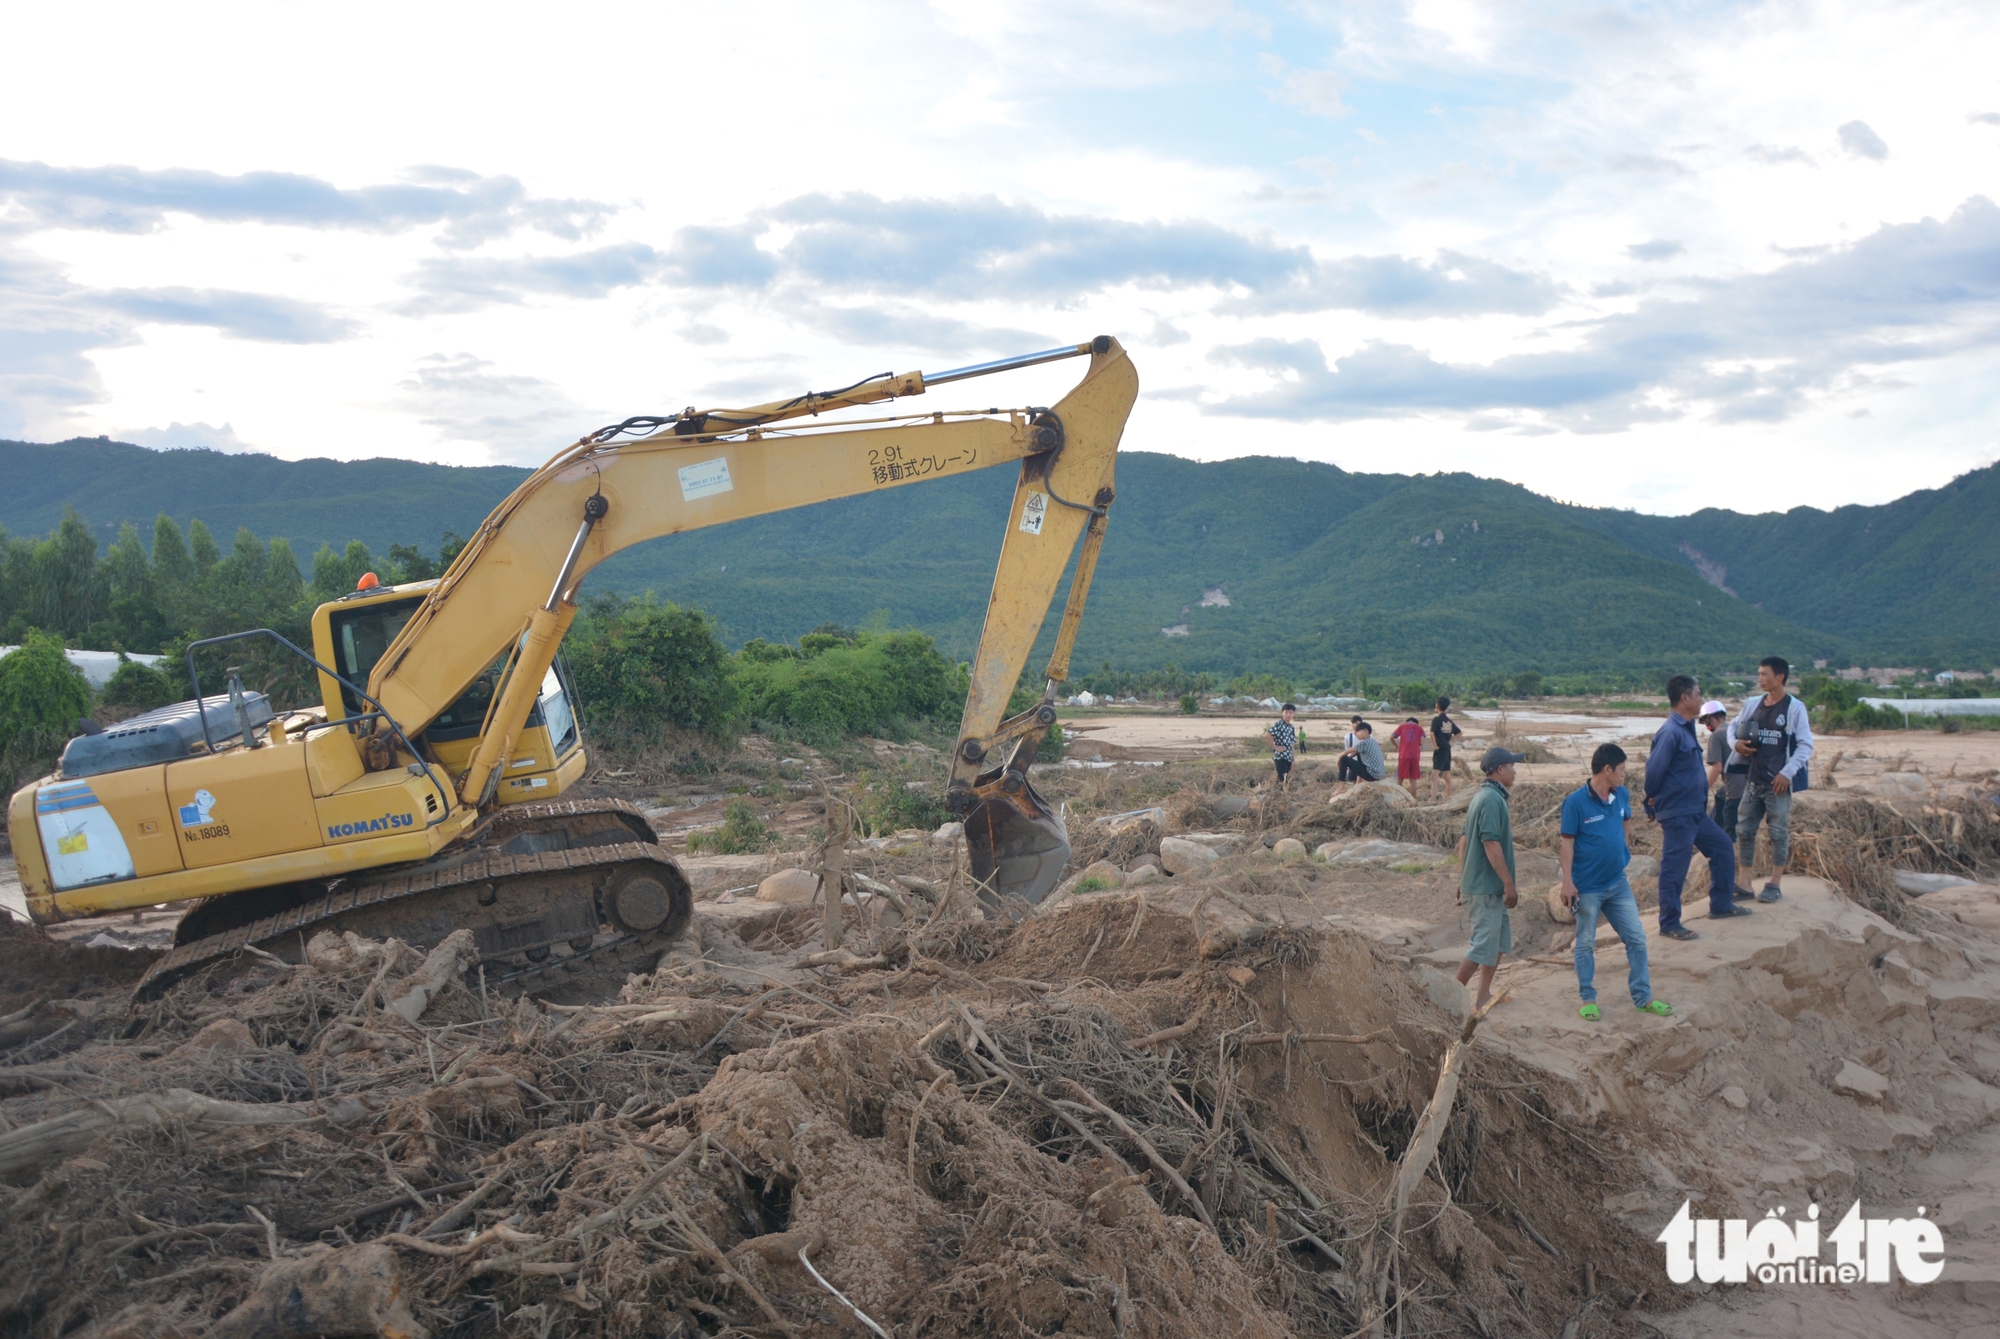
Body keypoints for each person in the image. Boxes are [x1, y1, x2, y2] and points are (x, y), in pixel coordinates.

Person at [1560, 743, 1674, 1019]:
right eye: (1621, 769)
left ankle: (1643, 998)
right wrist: (1567, 882)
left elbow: (1626, 819)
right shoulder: (1576, 802)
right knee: (1585, 943)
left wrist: (1622, 846)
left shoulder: (1621, 794)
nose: (1625, 774)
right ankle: (1588, 998)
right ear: (1607, 769)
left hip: (1618, 883)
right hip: (1588, 887)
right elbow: (1567, 844)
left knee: (1636, 938)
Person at [1645, 675, 1749, 940]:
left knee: (1723, 847)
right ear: (1685, 698)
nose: (1701, 698)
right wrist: (1651, 801)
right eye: (1698, 694)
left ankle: (1721, 904)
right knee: (1675, 867)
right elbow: (1654, 772)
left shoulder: (1687, 728)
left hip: (1695, 812)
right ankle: (1669, 923)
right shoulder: (1670, 733)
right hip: (1679, 813)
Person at [1731, 656, 1814, 902]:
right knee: (1744, 830)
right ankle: (1744, 882)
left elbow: (1805, 745)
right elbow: (1734, 727)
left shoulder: (1794, 708)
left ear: (1780, 677)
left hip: (1778, 784)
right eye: (1759, 674)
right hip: (1753, 780)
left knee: (1777, 832)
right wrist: (1736, 744)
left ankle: (1775, 883)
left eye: (1765, 674)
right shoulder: (1752, 704)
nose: (1760, 679)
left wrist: (1787, 773)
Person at [1455, 746, 1524, 1011]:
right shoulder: (1492, 800)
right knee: (1482, 944)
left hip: (1484, 886)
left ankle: (1483, 995)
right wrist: (1508, 883)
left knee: (1497, 942)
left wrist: (1462, 880)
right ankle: (1449, 997)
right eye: (1512, 766)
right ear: (1500, 769)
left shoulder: (1484, 796)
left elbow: (1464, 842)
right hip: (1486, 887)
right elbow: (1490, 843)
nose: (1515, 772)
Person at [1702, 700, 1755, 900]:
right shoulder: (1736, 730)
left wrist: (1701, 790)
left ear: (1710, 719)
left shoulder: (1716, 736)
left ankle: (1730, 883)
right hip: (1749, 789)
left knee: (1728, 838)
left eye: (1706, 722)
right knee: (1720, 798)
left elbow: (1716, 768)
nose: (1707, 727)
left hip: (1735, 792)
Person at [1333, 722, 1386, 796]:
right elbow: (1356, 752)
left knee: (1343, 759)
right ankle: (1358, 781)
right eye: (1356, 732)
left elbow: (1344, 753)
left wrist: (1340, 761)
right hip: (1378, 774)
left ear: (1366, 731)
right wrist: (1349, 760)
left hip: (1372, 775)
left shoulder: (1364, 743)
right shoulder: (1373, 741)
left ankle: (1341, 787)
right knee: (1355, 755)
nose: (1356, 734)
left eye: (1359, 731)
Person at [1430, 696, 1463, 802]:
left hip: (1440, 750)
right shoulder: (1448, 721)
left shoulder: (1436, 720)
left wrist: (1435, 746)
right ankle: (1449, 797)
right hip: (1447, 749)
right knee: (1446, 774)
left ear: (1437, 706)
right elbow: (1459, 732)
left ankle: (1433, 798)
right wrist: (1449, 740)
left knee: (1434, 776)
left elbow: (1431, 733)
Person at [1264, 703, 1299, 789]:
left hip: (1288, 757)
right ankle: (1279, 797)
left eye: (1290, 712)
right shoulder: (1279, 724)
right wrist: (1275, 747)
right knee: (1282, 779)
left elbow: (1292, 744)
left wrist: (1293, 760)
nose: (1288, 715)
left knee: (1285, 778)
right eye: (1286, 712)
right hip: (1280, 757)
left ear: (1293, 714)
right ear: (1282, 713)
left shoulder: (1291, 727)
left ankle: (1279, 795)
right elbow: (1267, 735)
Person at [1391, 716, 1426, 798]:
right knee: (1413, 780)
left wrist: (1397, 746)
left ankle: (1397, 798)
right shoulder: (1419, 728)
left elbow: (1392, 737)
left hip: (1404, 755)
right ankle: (1413, 800)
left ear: (1407, 721)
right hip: (1415, 756)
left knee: (1400, 778)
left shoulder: (1402, 726)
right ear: (1416, 722)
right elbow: (1422, 742)